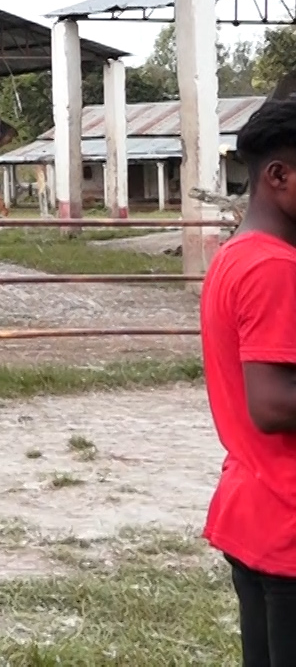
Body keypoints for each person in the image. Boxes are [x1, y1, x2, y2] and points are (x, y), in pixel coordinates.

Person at [202, 98, 296, 666]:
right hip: (288, 522)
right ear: (278, 176)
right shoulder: (275, 268)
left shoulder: (237, 256)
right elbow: (272, 404)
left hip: (256, 512)